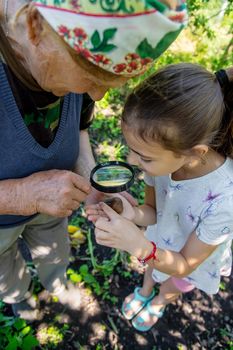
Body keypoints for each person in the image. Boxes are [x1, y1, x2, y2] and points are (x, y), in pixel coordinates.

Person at [0, 0, 187, 320]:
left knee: (54, 247)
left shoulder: (70, 52)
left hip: (54, 208)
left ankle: (55, 282)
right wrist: (23, 195)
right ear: (35, 25)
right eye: (92, 76)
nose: (98, 95)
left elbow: (80, 129)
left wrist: (90, 180)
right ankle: (20, 296)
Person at [86, 63, 233, 332]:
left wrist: (139, 247)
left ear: (194, 153)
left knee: (173, 284)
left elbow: (185, 265)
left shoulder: (225, 200)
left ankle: (159, 303)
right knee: (152, 270)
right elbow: (153, 210)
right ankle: (145, 289)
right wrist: (131, 213)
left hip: (189, 261)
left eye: (143, 157)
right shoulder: (163, 162)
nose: (132, 161)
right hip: (160, 241)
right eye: (131, 150)